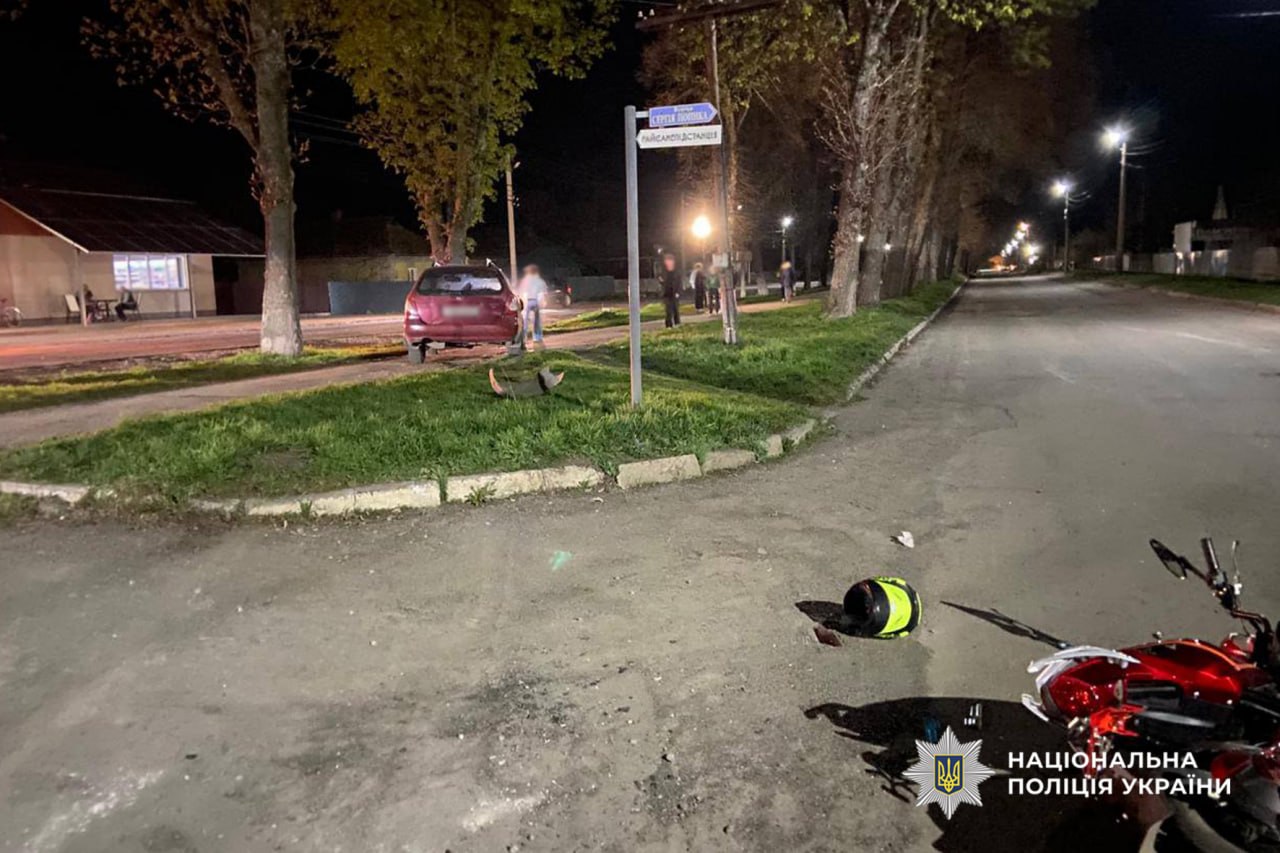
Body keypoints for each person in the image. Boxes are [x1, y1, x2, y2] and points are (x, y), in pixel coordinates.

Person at [517, 264, 547, 344]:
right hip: (536, 301)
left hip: (527, 301)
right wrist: (542, 302)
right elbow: (542, 293)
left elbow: (522, 292)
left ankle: (523, 337)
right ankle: (537, 337)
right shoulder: (540, 281)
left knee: (524, 320)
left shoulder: (525, 280)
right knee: (537, 320)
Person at [658, 253, 681, 328]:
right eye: (667, 260)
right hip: (666, 293)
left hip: (674, 292)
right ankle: (668, 325)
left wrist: (678, 292)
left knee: (675, 308)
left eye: (670, 260)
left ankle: (677, 323)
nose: (669, 262)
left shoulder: (676, 271)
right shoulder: (663, 271)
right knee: (668, 310)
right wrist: (661, 280)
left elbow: (679, 282)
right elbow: (660, 279)